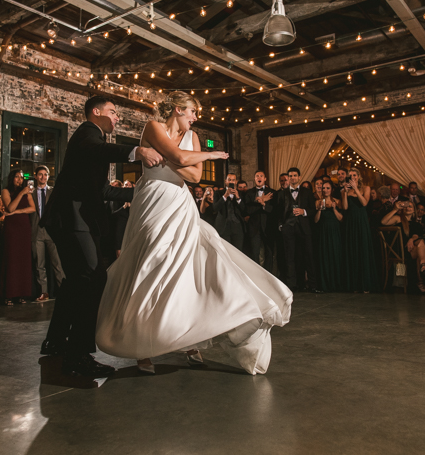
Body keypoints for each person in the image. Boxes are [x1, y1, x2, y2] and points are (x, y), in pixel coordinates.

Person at [96, 92, 292, 376]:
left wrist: (175, 158)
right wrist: (209, 155)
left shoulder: (194, 137)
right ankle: (142, 347)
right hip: (153, 202)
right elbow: (179, 158)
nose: (195, 118)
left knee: (188, 268)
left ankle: (190, 340)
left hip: (179, 203)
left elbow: (195, 177)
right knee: (150, 265)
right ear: (177, 109)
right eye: (192, 112)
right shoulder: (154, 127)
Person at [40, 96, 164, 377]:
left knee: (75, 282)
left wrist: (145, 194)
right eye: (113, 112)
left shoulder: (91, 144)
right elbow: (99, 151)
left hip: (72, 219)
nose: (116, 118)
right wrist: (137, 151)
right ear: (95, 113)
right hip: (72, 219)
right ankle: (79, 356)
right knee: (92, 277)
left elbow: (104, 191)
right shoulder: (87, 133)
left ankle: (56, 341)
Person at [278, 167, 317, 291]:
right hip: (288, 229)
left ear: (299, 177)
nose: (293, 178)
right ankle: (291, 285)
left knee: (308, 256)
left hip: (304, 228)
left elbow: (313, 210)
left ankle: (311, 285)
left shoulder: (307, 192)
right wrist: (281, 226)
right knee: (290, 257)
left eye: (295, 175)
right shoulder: (282, 193)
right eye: (290, 176)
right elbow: (278, 212)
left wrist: (303, 211)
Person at [381, 201, 425, 292]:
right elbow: (383, 222)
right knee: (421, 246)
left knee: (420, 245)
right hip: (400, 250)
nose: (408, 208)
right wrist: (395, 209)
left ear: (414, 210)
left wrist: (411, 239)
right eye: (406, 207)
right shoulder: (398, 219)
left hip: (412, 249)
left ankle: (422, 267)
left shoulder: (416, 223)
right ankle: (422, 273)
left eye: (410, 207)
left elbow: (416, 235)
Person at [0, 169, 35, 306]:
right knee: (12, 259)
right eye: (16, 177)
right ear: (11, 178)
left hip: (24, 227)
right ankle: (9, 294)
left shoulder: (28, 193)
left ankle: (22, 294)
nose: (19, 180)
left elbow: (32, 209)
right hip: (12, 228)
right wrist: (21, 193)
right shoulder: (6, 191)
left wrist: (18, 212)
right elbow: (10, 208)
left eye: (21, 177)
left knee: (23, 260)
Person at [340, 168, 378, 293]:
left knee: (362, 250)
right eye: (350, 176)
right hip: (350, 223)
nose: (352, 177)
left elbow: (364, 203)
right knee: (352, 250)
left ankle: (365, 284)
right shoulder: (345, 190)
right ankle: (354, 285)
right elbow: (345, 207)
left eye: (354, 175)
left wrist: (356, 188)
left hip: (361, 222)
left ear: (359, 176)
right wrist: (345, 193)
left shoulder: (366, 188)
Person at [30, 165, 64, 302]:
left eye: (45, 174)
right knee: (39, 264)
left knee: (57, 263)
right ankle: (44, 292)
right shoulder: (30, 193)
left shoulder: (54, 192)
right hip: (36, 231)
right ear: (36, 176)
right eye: (40, 174)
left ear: (48, 177)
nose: (43, 177)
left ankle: (62, 290)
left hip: (52, 232)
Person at [243, 170, 276, 272]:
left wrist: (264, 204)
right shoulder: (249, 193)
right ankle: (256, 277)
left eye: (261, 176)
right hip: (254, 228)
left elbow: (274, 209)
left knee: (269, 253)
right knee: (254, 253)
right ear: (254, 179)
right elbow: (247, 210)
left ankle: (269, 277)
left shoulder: (272, 192)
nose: (259, 177)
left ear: (265, 179)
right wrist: (259, 202)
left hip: (268, 227)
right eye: (257, 176)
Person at [313, 182, 343, 292]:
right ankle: (324, 285)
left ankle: (336, 284)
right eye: (323, 188)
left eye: (327, 188)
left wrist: (334, 209)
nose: (325, 190)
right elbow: (316, 220)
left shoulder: (337, 201)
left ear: (331, 189)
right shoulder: (317, 202)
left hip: (334, 231)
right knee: (324, 256)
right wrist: (320, 209)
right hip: (323, 231)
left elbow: (341, 219)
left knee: (335, 255)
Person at [212, 173, 245, 251]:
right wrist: (225, 196)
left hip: (237, 227)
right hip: (223, 226)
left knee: (238, 251)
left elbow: (244, 210)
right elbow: (215, 208)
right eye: (229, 179)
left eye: (233, 180)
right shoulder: (218, 193)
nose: (231, 181)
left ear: (236, 182)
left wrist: (237, 198)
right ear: (225, 181)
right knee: (225, 252)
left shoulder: (240, 194)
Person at [111, 180, 134, 259]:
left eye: (128, 185)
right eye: (125, 185)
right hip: (119, 228)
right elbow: (113, 214)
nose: (127, 186)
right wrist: (123, 207)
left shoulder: (134, 198)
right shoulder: (117, 200)